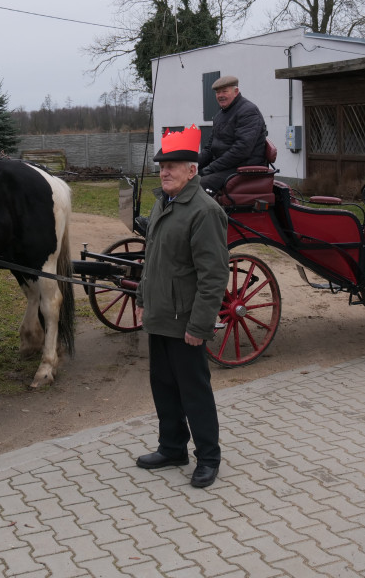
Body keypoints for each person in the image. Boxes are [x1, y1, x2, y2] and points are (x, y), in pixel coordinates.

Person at [135, 124, 229, 488]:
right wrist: (142, 300)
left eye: (174, 165)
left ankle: (208, 457)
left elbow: (213, 276)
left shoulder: (204, 212)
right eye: (162, 165)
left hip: (185, 321)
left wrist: (199, 326)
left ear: (193, 170)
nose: (165, 171)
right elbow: (152, 259)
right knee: (163, 386)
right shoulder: (164, 202)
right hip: (160, 315)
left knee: (194, 391)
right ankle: (172, 447)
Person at [198, 75, 268, 194]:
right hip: (226, 166)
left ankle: (207, 212)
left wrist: (210, 168)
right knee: (183, 178)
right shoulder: (220, 115)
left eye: (224, 91)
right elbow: (209, 148)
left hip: (243, 168)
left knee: (198, 184)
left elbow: (241, 150)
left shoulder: (248, 111)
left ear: (236, 91)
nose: (220, 95)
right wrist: (190, 164)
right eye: (218, 92)